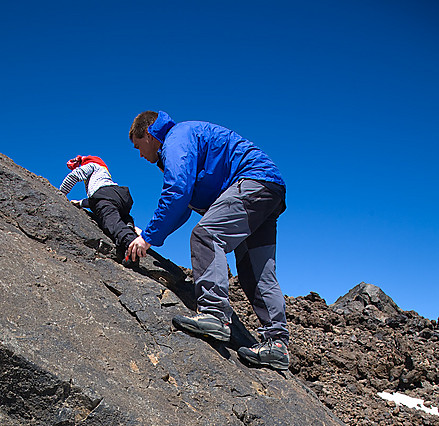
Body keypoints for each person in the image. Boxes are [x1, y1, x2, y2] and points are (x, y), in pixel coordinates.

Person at [127, 111, 290, 370]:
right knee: (255, 271)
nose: (140, 155)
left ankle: (214, 314)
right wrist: (149, 234)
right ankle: (277, 344)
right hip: (268, 190)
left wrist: (147, 238)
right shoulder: (186, 139)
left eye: (138, 146)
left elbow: (177, 191)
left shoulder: (176, 138)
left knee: (206, 235)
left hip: (250, 182)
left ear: (149, 135)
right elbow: (182, 207)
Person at [60, 155, 138, 265]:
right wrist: (80, 203)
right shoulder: (104, 173)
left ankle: (131, 245)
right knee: (121, 216)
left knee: (111, 221)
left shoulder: (92, 165)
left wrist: (60, 193)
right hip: (122, 195)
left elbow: (75, 175)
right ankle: (128, 225)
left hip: (105, 195)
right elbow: (96, 201)